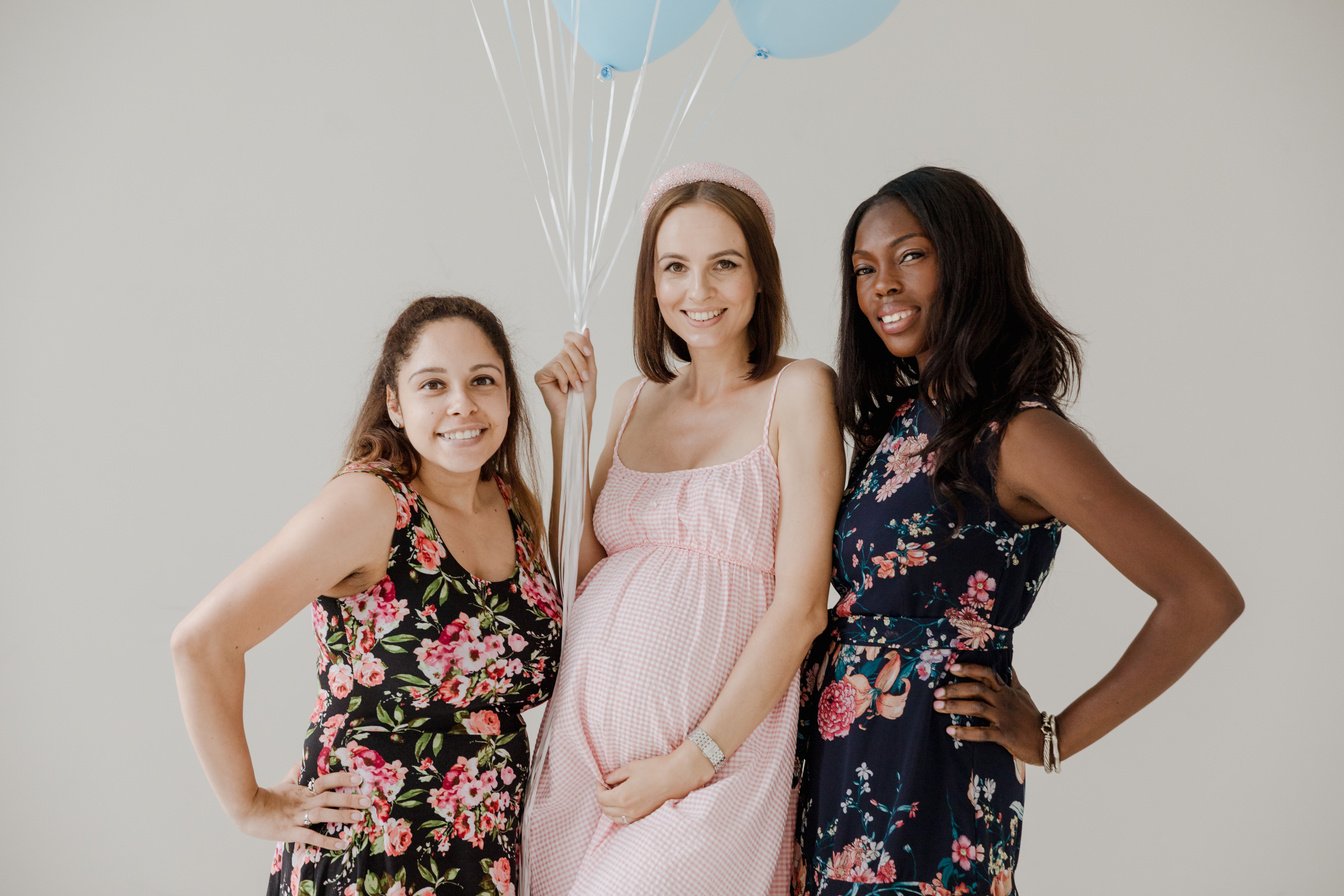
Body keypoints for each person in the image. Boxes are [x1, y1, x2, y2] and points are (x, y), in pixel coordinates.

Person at [792, 167, 1244, 895]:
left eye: (910, 255)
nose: (882, 286)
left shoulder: (1024, 435)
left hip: (932, 766)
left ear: (967, 261)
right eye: (863, 269)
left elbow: (1202, 596)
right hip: (845, 763)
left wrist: (1055, 735)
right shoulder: (897, 424)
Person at [524, 163, 846, 895]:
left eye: (723, 265)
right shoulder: (636, 399)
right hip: (581, 762)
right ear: (653, 283)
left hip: (712, 767)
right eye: (675, 268)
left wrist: (691, 760)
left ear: (760, 276)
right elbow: (578, 577)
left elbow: (801, 608)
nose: (697, 292)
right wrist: (566, 433)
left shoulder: (798, 391)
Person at [172, 296, 561, 896]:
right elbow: (203, 642)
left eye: (483, 380)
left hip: (483, 857)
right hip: (375, 855)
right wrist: (248, 805)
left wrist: (568, 423)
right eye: (433, 384)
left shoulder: (512, 505)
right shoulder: (371, 505)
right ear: (395, 405)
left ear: (508, 395)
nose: (463, 403)